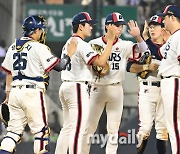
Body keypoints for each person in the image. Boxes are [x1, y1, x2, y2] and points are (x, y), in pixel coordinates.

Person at [0, 15, 77, 154]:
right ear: (35, 30)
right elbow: (60, 66)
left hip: (15, 92)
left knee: (12, 132)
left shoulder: (12, 47)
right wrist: (69, 55)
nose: (42, 32)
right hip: (32, 92)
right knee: (41, 132)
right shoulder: (38, 47)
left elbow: (8, 73)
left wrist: (7, 96)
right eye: (41, 29)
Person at [80, 12, 148, 154]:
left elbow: (145, 52)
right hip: (97, 88)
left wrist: (138, 36)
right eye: (117, 25)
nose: (120, 28)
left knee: (113, 130)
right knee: (88, 128)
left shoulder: (125, 45)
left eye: (121, 26)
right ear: (107, 26)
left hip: (116, 89)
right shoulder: (93, 44)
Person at [55, 12, 116, 154]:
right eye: (89, 24)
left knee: (67, 128)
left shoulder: (68, 43)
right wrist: (110, 42)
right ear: (81, 26)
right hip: (77, 87)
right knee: (78, 129)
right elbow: (100, 62)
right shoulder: (81, 44)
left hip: (65, 86)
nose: (91, 27)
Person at [126, 15, 171, 154]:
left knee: (162, 130)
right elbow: (129, 67)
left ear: (163, 28)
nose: (152, 29)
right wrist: (146, 67)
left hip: (165, 88)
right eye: (150, 26)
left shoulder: (170, 45)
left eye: (155, 26)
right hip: (148, 87)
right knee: (145, 129)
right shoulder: (143, 46)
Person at [157, 5, 180, 154]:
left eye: (165, 17)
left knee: (174, 125)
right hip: (168, 81)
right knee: (172, 125)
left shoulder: (179, 36)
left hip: (174, 81)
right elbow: (161, 53)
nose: (163, 21)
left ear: (172, 17)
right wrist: (165, 40)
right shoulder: (174, 37)